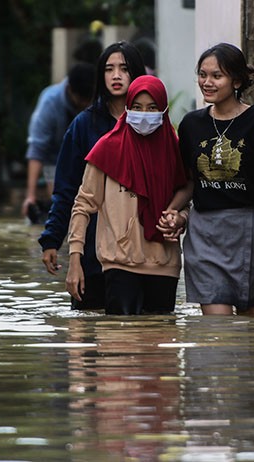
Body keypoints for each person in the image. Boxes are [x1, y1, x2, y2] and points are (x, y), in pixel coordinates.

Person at [158, 43, 254, 316]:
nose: (207, 82)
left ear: (237, 81)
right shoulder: (192, 124)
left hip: (250, 230)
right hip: (204, 232)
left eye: (217, 76)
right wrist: (172, 211)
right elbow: (191, 182)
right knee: (217, 332)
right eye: (203, 75)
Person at [37, 42, 147, 310]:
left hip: (141, 248)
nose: (117, 75)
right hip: (93, 246)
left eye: (124, 69)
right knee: (89, 332)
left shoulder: (153, 123)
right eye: (109, 69)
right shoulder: (85, 125)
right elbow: (67, 190)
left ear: (137, 74)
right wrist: (52, 239)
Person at [66, 75, 187, 315]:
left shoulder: (174, 150)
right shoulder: (107, 148)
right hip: (119, 263)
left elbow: (186, 198)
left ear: (163, 110)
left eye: (152, 108)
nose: (144, 114)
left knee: (160, 343)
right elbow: (83, 205)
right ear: (127, 109)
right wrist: (74, 258)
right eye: (137, 107)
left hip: (165, 265)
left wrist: (180, 218)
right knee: (120, 342)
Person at [22, 62, 95, 223]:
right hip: (54, 159)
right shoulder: (49, 103)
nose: (84, 105)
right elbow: (37, 149)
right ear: (70, 90)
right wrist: (31, 196)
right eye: (81, 100)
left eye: (87, 100)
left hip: (90, 157)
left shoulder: (98, 100)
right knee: (60, 206)